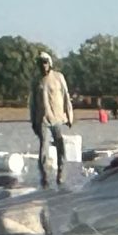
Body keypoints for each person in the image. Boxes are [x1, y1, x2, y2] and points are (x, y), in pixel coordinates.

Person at [29, 52, 74, 187]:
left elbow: (66, 96)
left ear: (49, 63)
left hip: (58, 118)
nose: (43, 65)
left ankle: (60, 172)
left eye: (45, 62)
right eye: (40, 63)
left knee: (61, 145)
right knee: (44, 147)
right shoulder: (36, 81)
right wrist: (33, 121)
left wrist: (69, 116)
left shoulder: (59, 78)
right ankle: (45, 176)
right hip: (42, 119)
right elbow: (32, 103)